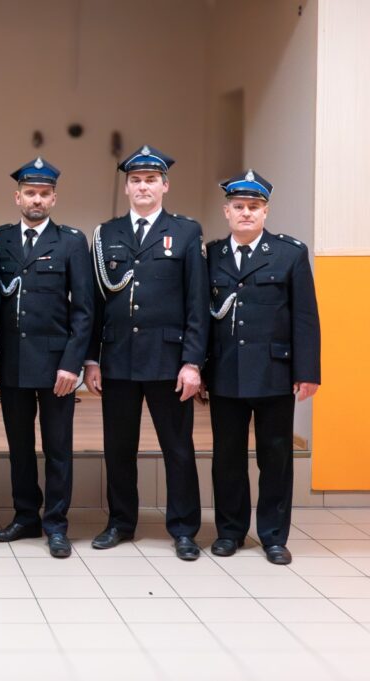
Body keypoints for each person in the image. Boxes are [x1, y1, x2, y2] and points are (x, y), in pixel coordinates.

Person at [85, 145, 209, 560]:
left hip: (168, 361)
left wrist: (193, 362)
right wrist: (91, 359)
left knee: (178, 448)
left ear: (164, 186)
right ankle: (121, 523)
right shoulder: (106, 234)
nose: (143, 187)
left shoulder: (186, 232)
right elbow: (94, 303)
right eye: (136, 180)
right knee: (118, 448)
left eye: (151, 180)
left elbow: (197, 303)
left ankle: (184, 529)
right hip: (118, 359)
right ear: (126, 187)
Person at [203, 170, 320, 566]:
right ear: (227, 211)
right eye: (239, 206)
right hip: (225, 372)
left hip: (274, 372)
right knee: (227, 457)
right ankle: (230, 531)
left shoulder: (289, 253)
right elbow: (202, 316)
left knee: (276, 457)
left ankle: (273, 536)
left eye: (254, 206)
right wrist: (199, 368)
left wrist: (308, 371)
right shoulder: (212, 255)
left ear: (266, 211)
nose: (246, 213)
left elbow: (305, 316)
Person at [0, 158, 93, 558]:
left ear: (54, 199)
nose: (37, 200)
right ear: (17, 197)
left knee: (58, 447)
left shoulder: (70, 242)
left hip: (55, 365)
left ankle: (56, 524)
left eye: (44, 194)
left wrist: (72, 364)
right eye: (30, 193)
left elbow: (84, 310)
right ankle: (26, 516)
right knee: (19, 445)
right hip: (12, 361)